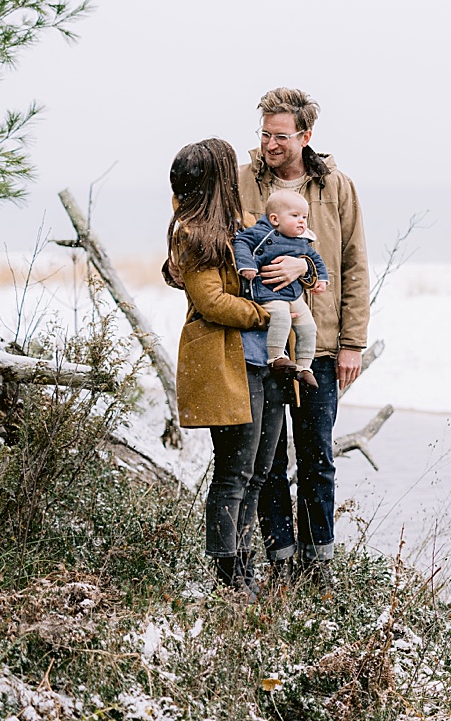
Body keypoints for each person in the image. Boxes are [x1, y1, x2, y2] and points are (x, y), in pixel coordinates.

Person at [239, 88, 369, 584]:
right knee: (267, 460)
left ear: (306, 136)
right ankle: (280, 562)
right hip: (260, 346)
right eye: (265, 134)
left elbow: (354, 265)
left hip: (322, 344)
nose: (270, 144)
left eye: (281, 136)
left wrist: (353, 342)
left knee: (317, 458)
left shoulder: (337, 187)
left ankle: (319, 570)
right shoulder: (244, 182)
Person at [164, 138, 289, 600]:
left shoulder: (245, 228)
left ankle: (245, 565)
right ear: (220, 179)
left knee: (259, 472)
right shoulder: (194, 235)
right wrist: (266, 314)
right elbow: (211, 302)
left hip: (267, 363)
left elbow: (288, 264)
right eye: (230, 168)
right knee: (234, 474)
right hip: (229, 363)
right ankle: (228, 572)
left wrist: (300, 270)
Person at [234, 189, 330, 389]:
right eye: (295, 216)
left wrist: (321, 278)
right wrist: (248, 265)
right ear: (275, 219)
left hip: (293, 294)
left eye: (304, 217)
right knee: (281, 317)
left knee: (309, 326)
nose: (302, 222)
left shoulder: (302, 240)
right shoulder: (260, 232)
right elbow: (241, 242)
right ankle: (276, 357)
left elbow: (315, 258)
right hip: (268, 291)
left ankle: (304, 367)